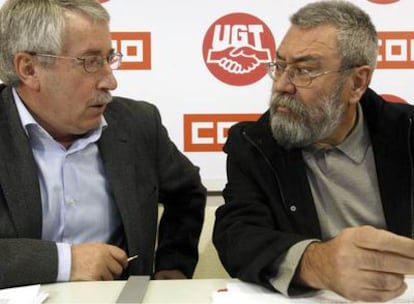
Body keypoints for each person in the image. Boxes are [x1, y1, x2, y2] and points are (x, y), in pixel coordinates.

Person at [213, 0, 414, 302]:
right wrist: (318, 263)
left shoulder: (407, 133)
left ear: (357, 83)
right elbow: (237, 237)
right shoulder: (255, 143)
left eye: (304, 70)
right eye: (280, 66)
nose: (282, 85)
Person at [0, 0, 206, 289]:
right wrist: (65, 262)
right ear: (30, 69)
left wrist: (173, 267)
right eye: (91, 62)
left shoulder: (138, 124)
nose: (110, 80)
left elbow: (187, 194)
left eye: (109, 58)